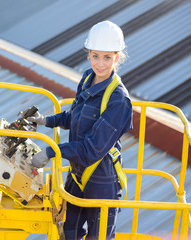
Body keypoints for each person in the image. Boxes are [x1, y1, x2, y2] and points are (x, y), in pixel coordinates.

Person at [26, 21, 133, 239]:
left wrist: (50, 152)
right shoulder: (87, 78)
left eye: (107, 57)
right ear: (89, 54)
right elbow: (76, 117)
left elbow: (92, 149)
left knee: (98, 237)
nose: (100, 64)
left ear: (117, 56)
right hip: (77, 173)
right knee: (69, 231)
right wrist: (47, 120)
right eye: (95, 56)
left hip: (101, 179)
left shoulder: (118, 100)